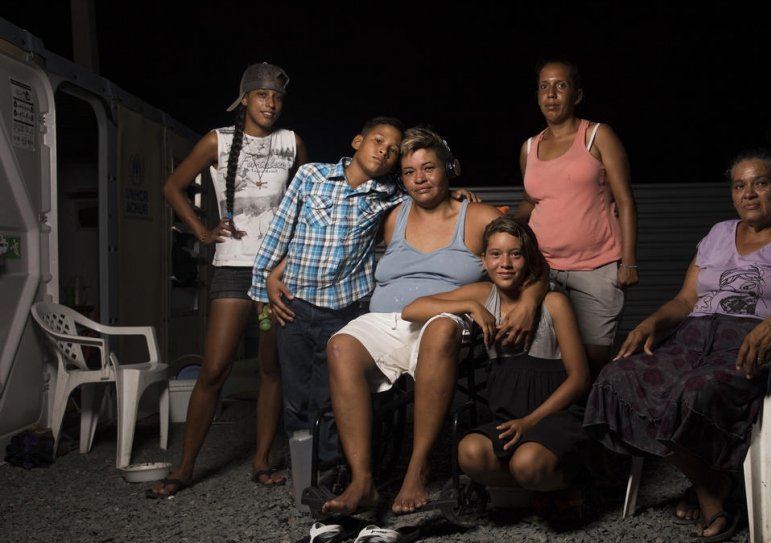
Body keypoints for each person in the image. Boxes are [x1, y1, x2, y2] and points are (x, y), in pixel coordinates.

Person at [583, 148, 771, 541]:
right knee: (615, 378)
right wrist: (651, 323)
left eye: (760, 183)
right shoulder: (719, 233)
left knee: (694, 391)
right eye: (739, 185)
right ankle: (713, 483)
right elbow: (685, 301)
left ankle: (708, 492)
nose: (748, 193)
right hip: (694, 342)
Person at [320, 128, 545, 516]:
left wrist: (528, 302)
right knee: (340, 344)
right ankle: (363, 481)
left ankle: (417, 468)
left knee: (441, 327)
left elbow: (534, 265)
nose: (419, 179)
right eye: (409, 172)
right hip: (386, 320)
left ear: (449, 170)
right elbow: (333, 237)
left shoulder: (476, 216)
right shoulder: (392, 216)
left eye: (429, 168)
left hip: (446, 320)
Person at [149, 62, 306, 498]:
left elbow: (309, 198)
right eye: (261, 96)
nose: (271, 104)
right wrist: (202, 232)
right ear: (245, 100)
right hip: (234, 266)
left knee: (272, 369)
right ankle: (183, 469)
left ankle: (260, 462)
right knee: (215, 368)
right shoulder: (217, 140)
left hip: (279, 271)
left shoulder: (292, 143)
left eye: (276, 97)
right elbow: (172, 186)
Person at [248, 117, 407, 470]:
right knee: (297, 398)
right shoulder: (311, 177)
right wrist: (264, 287)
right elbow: (280, 231)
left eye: (393, 150)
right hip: (294, 304)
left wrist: (458, 192)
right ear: (357, 141)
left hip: (346, 309)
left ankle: (333, 473)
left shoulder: (391, 195)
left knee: (332, 396)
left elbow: (429, 189)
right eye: (378, 141)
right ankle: (305, 474)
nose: (384, 151)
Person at [403, 216, 590, 514]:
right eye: (496, 254)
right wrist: (470, 306)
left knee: (526, 461)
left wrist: (530, 422)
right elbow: (411, 309)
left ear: (528, 259)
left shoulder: (553, 303)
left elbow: (580, 378)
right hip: (509, 411)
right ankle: (538, 487)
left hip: (555, 412)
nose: (505, 263)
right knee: (469, 452)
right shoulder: (483, 296)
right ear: (484, 260)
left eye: (515, 254)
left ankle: (566, 482)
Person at [514, 58, 639, 377]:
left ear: (577, 95)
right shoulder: (529, 147)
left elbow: (625, 201)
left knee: (592, 364)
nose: (551, 94)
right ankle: (551, 425)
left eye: (561, 85)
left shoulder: (598, 135)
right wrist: (494, 222)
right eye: (544, 87)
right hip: (544, 269)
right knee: (548, 361)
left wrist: (628, 261)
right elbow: (531, 201)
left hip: (597, 268)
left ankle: (592, 425)